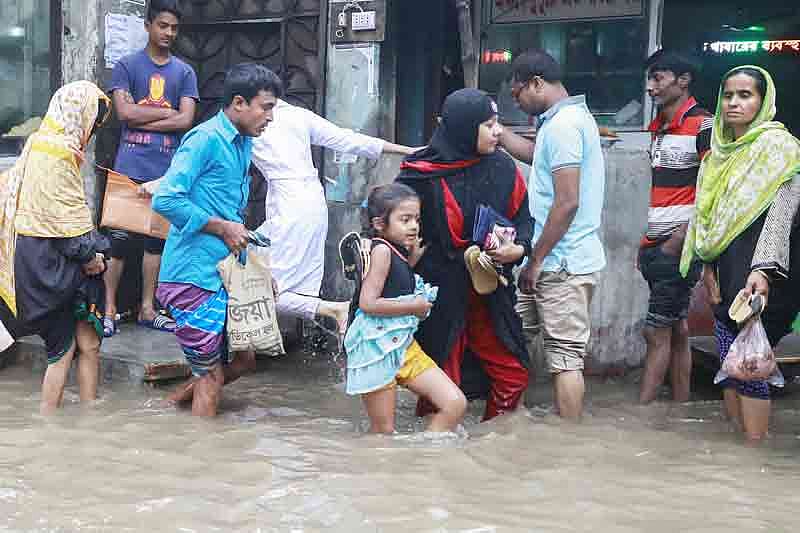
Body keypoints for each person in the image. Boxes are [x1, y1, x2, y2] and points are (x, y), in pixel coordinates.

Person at [151, 63, 280, 417]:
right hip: (191, 275)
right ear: (239, 102)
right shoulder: (205, 139)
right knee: (208, 374)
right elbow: (165, 199)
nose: (269, 117)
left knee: (245, 360)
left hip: (224, 272)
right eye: (265, 108)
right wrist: (221, 227)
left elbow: (234, 219)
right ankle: (201, 460)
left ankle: (167, 408)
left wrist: (256, 272)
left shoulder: (244, 144)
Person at [396, 88, 533, 421]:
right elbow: (394, 230)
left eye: (498, 122)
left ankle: (495, 442)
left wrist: (518, 249)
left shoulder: (502, 167)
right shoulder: (420, 174)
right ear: (463, 127)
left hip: (491, 291)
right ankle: (435, 455)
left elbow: (523, 219)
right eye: (488, 125)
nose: (498, 131)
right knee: (442, 376)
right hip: (441, 293)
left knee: (513, 372)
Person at [680, 66, 800, 443]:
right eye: (728, 95)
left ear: (763, 102)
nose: (734, 102)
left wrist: (762, 270)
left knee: (753, 363)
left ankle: (752, 453)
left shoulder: (780, 148)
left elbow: (782, 212)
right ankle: (735, 446)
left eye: (745, 95)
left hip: (766, 271)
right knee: (729, 360)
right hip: (726, 268)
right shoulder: (718, 153)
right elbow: (709, 216)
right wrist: (708, 269)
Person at [249, 99, 417, 334]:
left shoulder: (252, 120)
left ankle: (332, 309)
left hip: (292, 208)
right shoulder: (296, 114)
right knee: (247, 273)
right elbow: (348, 139)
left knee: (259, 290)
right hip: (308, 202)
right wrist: (407, 150)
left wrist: (408, 152)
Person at [0, 81, 112, 414]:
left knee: (89, 343)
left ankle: (89, 416)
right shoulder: (57, 153)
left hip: (47, 259)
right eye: (93, 121)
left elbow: (64, 218)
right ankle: (49, 421)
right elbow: (64, 225)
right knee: (61, 351)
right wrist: (92, 255)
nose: (92, 131)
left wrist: (90, 251)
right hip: (52, 266)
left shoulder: (40, 144)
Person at [509, 50, 606, 421]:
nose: (517, 103)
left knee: (565, 358)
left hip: (561, 261)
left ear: (536, 83)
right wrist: (501, 135)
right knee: (515, 334)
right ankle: (517, 420)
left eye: (518, 94)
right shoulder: (564, 120)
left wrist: (535, 261)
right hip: (555, 258)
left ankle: (569, 440)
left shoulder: (564, 125)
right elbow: (539, 157)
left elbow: (567, 203)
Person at [102, 0, 199, 337]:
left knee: (155, 242)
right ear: (148, 25)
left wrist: (147, 114)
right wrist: (168, 116)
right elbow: (124, 114)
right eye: (162, 26)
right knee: (118, 239)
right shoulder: (127, 66)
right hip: (128, 165)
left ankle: (147, 308)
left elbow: (186, 120)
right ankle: (109, 308)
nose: (168, 33)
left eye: (173, 27)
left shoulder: (184, 72)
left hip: (166, 169)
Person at [343, 184, 467, 433]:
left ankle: (421, 458)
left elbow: (394, 284)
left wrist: (412, 260)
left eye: (416, 220)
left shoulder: (396, 252)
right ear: (380, 224)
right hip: (375, 348)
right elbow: (369, 303)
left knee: (454, 403)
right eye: (405, 219)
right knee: (383, 433)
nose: (413, 226)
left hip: (404, 346)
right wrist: (414, 305)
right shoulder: (381, 252)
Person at [638, 51, 713, 404]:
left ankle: (642, 416)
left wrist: (680, 238)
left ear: (683, 81)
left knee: (656, 333)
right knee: (677, 330)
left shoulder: (704, 126)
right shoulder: (659, 127)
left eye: (659, 78)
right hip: (657, 244)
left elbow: (716, 189)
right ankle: (680, 410)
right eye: (650, 78)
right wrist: (648, 243)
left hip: (676, 247)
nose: (651, 87)